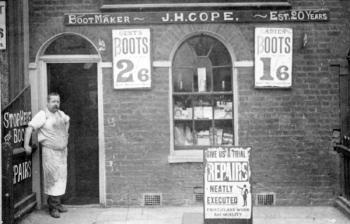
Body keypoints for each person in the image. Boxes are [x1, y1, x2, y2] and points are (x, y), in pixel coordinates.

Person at [24, 92, 70, 218]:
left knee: (61, 178)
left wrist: (65, 134)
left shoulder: (60, 114)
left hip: (61, 152)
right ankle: (53, 207)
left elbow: (67, 120)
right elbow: (29, 128)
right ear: (47, 102)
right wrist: (26, 145)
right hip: (50, 153)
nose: (56, 104)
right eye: (53, 101)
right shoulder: (43, 114)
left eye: (58, 102)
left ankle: (58, 203)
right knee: (52, 178)